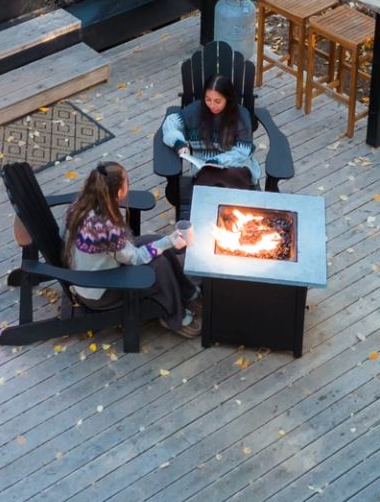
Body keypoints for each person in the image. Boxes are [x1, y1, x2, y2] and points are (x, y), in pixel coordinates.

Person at [62, 162, 199, 337]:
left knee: (154, 240)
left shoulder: (78, 205)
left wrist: (164, 242)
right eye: (127, 182)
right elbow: (135, 258)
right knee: (159, 265)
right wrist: (168, 241)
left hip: (89, 273)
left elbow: (65, 235)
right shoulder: (106, 226)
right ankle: (175, 317)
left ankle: (188, 293)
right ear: (119, 191)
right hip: (100, 289)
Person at [160, 73, 262, 193]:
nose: (212, 105)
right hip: (205, 168)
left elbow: (242, 151)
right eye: (208, 99)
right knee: (208, 180)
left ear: (227, 99)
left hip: (235, 165)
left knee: (225, 180)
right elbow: (171, 122)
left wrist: (218, 161)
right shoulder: (196, 110)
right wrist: (178, 142)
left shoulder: (240, 116)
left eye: (217, 101)